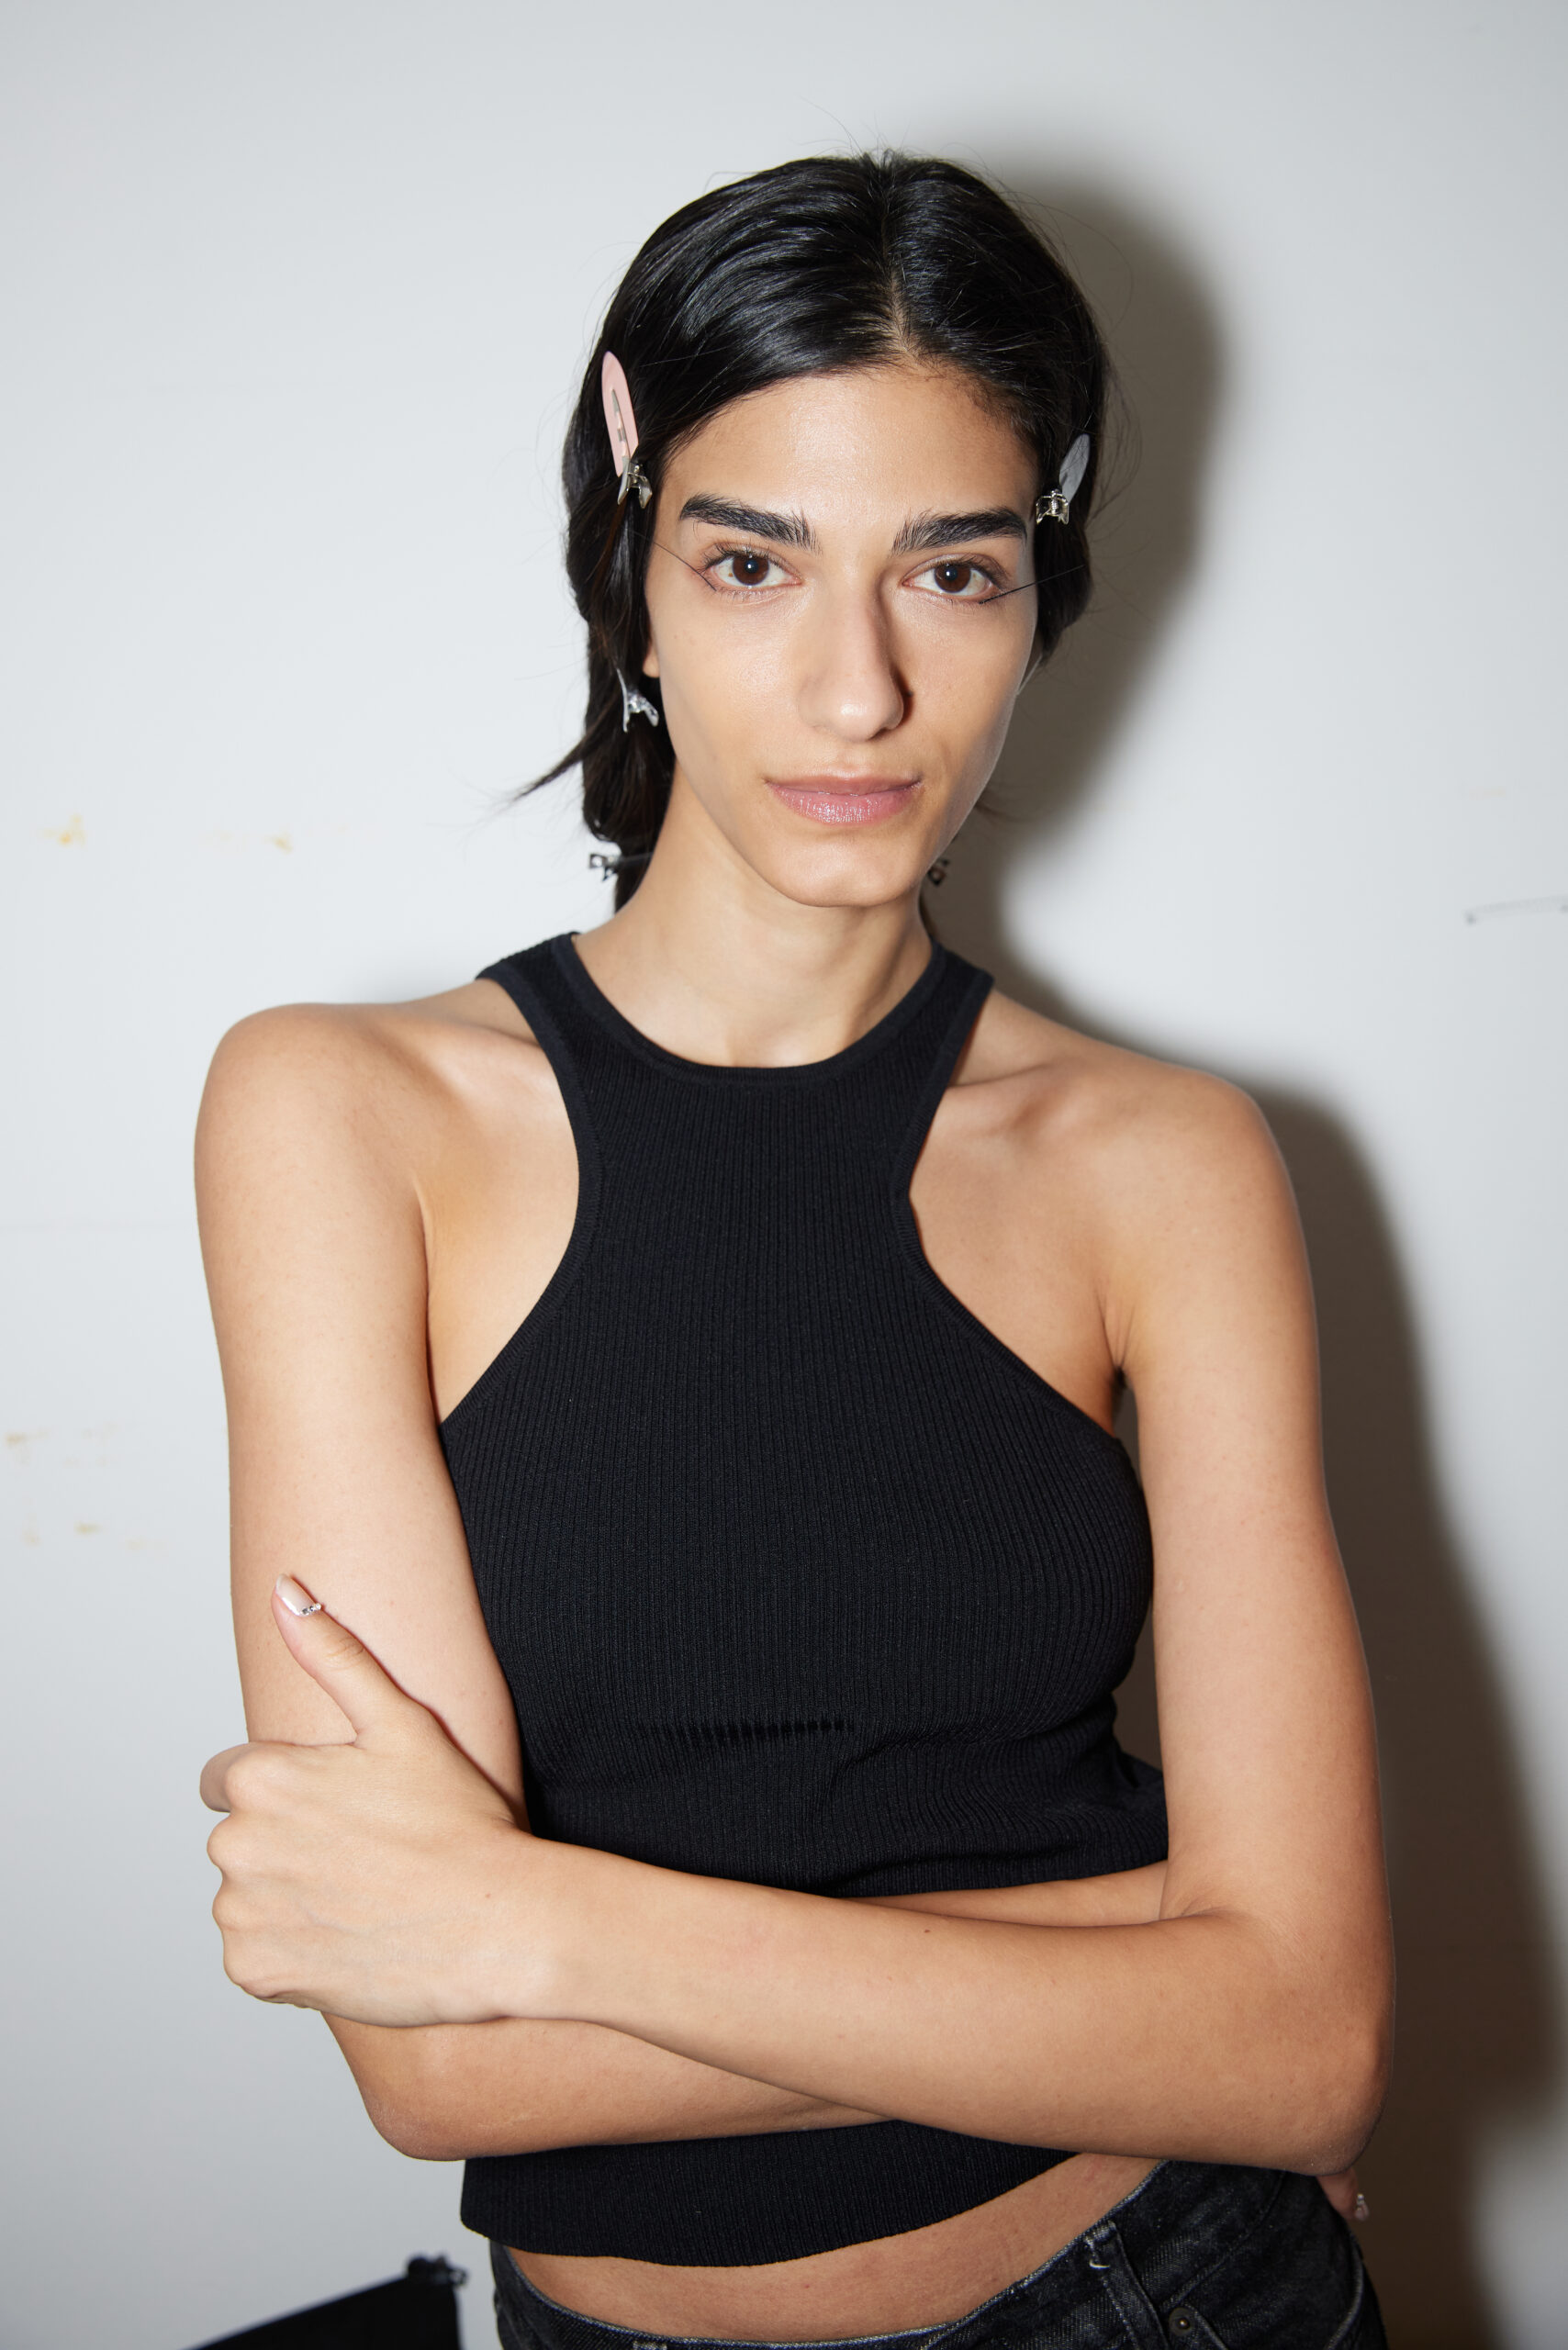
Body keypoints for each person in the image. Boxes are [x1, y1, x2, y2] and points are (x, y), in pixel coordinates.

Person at [197, 152, 1393, 2350]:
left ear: (1039, 588)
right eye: (752, 561)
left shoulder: (1164, 1162)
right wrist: (1150, 1940)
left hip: (1157, 2291)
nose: (858, 691)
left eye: (953, 570)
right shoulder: (340, 1117)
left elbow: (1304, 2046)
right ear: (634, 562)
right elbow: (437, 2064)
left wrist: (533, 1918)